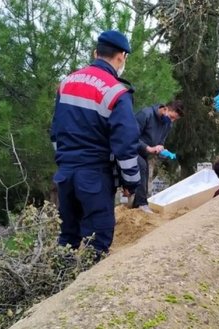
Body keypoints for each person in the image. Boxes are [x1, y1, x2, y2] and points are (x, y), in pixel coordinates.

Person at [50, 30, 141, 257]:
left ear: (95, 53)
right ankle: (87, 290)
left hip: (65, 174)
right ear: (121, 57)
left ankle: (59, 286)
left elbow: (55, 132)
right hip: (94, 177)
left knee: (68, 237)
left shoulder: (66, 83)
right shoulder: (116, 91)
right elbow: (125, 145)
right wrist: (131, 182)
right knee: (97, 243)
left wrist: (65, 162)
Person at [133, 100, 184, 213]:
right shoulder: (145, 114)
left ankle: (138, 205)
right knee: (141, 166)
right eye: (171, 117)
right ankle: (141, 204)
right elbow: (132, 136)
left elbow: (161, 141)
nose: (172, 121)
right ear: (165, 108)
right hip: (130, 149)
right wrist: (148, 148)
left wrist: (162, 149)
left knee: (145, 175)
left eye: (175, 119)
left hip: (143, 153)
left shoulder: (167, 124)